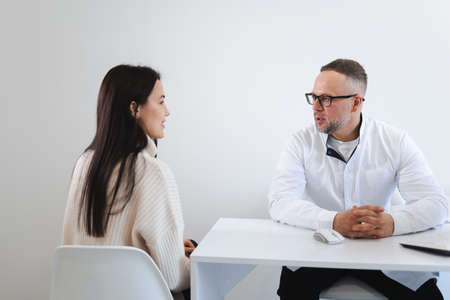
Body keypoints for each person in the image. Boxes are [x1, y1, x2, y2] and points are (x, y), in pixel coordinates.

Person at [268, 58, 448, 299]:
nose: (316, 106)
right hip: (320, 249)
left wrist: (392, 223)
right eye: (314, 97)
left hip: (380, 248)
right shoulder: (300, 142)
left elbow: (437, 204)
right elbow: (280, 202)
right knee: (292, 292)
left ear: (355, 103)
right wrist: (333, 221)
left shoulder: (395, 141)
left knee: (428, 296)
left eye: (327, 99)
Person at [63, 65, 195, 299]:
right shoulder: (154, 173)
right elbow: (174, 278)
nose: (167, 112)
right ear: (134, 108)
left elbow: (76, 244)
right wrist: (192, 260)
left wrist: (170, 247)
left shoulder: (84, 164)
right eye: (161, 101)